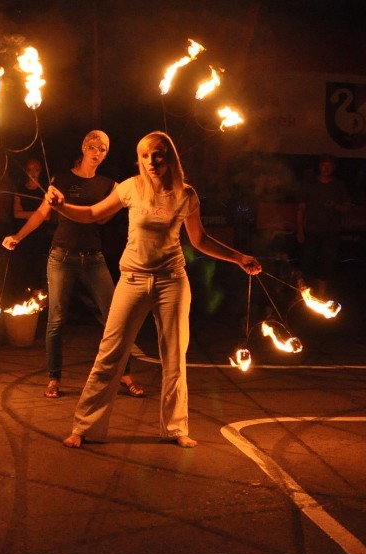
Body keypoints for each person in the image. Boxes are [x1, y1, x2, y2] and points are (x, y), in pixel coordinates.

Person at [45, 131, 261, 449]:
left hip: (171, 281)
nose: (151, 161)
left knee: (174, 358)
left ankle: (175, 428)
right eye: (145, 155)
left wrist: (238, 257)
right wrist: (62, 206)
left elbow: (199, 240)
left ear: (169, 157)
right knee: (110, 354)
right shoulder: (130, 187)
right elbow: (92, 214)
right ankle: (85, 427)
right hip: (131, 279)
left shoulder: (185, 195)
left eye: (157, 154)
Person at [2, 131, 143, 400]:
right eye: (92, 146)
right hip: (62, 257)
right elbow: (43, 214)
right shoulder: (62, 179)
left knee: (115, 319)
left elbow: (100, 221)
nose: (97, 151)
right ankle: (54, 378)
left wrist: (117, 204)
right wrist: (17, 237)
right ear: (83, 146)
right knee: (56, 320)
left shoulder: (109, 185)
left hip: (93, 258)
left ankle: (124, 374)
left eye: (103, 148)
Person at [296, 154, 351, 297]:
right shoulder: (309, 184)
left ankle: (321, 293)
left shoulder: (339, 185)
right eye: (323, 165)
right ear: (319, 167)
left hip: (331, 230)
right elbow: (301, 208)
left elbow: (346, 207)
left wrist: (335, 206)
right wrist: (300, 230)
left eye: (329, 166)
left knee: (328, 261)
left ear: (333, 168)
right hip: (312, 230)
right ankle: (302, 291)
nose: (326, 168)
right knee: (307, 259)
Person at [8, 157, 54, 298]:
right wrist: (39, 214)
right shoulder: (20, 189)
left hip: (41, 236)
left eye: (36, 170)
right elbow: (16, 214)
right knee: (22, 268)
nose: (33, 173)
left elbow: (47, 217)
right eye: (29, 170)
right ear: (25, 171)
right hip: (24, 235)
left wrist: (35, 215)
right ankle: (21, 299)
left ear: (40, 171)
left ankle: (38, 300)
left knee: (39, 269)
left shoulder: (46, 190)